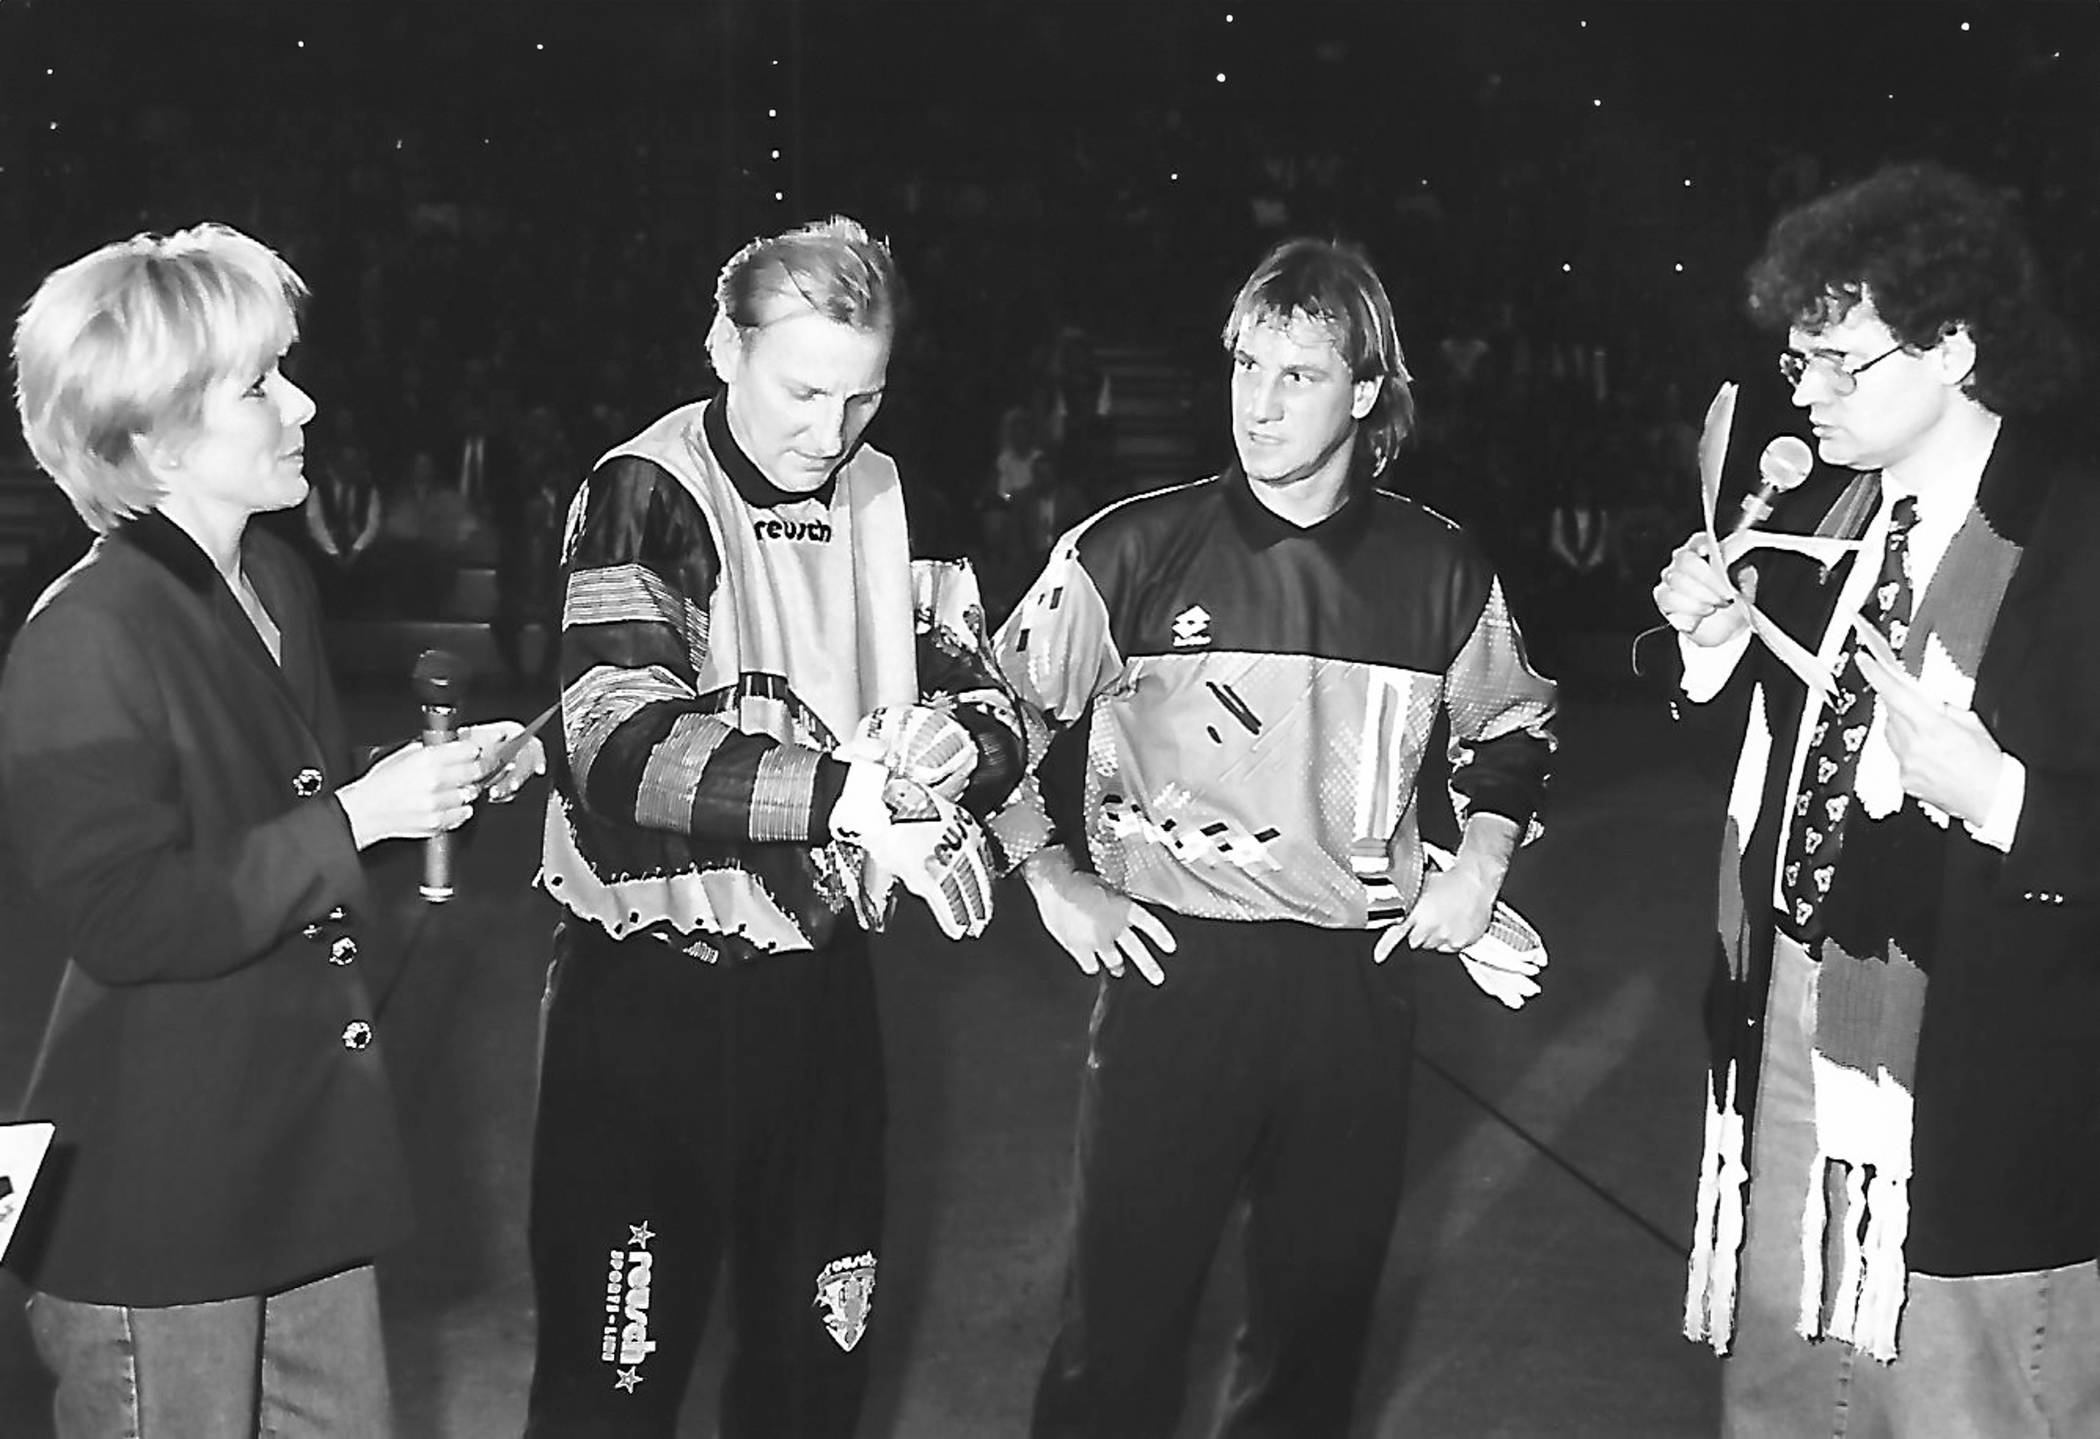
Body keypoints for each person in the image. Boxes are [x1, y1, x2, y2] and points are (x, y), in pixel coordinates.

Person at [989, 236, 1558, 1438]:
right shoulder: (1129, 548)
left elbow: (1512, 723)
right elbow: (986, 723)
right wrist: (1049, 875)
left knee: (1312, 1340)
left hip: (1357, 984)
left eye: (1298, 374)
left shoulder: (1439, 563)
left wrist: (1486, 860)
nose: (1257, 400)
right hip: (1173, 972)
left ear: (1366, 391)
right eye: (1247, 363)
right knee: (1120, 1333)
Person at [0, 222, 547, 1438]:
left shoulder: (275, 584)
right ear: (150, 436)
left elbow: (279, 817)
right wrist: (361, 810)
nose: (301, 402)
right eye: (258, 383)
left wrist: (427, 790)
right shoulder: (84, 634)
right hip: (158, 1192)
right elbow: (129, 913)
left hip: (301, 1159)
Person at [524, 214, 1020, 1436]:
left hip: (822, 1004)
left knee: (814, 1379)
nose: (828, 429)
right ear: (720, 345)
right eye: (803, 387)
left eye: (863, 396)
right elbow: (617, 744)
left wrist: (962, 741)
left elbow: (993, 692)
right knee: (613, 1387)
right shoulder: (644, 489)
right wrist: (852, 795)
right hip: (652, 1006)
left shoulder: (895, 489)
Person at [1656, 162, 2100, 1435]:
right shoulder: (1824, 521)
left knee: (1971, 1402)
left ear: (1956, 344)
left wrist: (2004, 795)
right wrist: (1708, 651)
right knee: (1790, 1396)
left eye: (1844, 361)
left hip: (1981, 1068)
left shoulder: (2075, 541)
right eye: (1798, 363)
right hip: (1790, 1013)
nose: (1810, 395)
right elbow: (1773, 773)